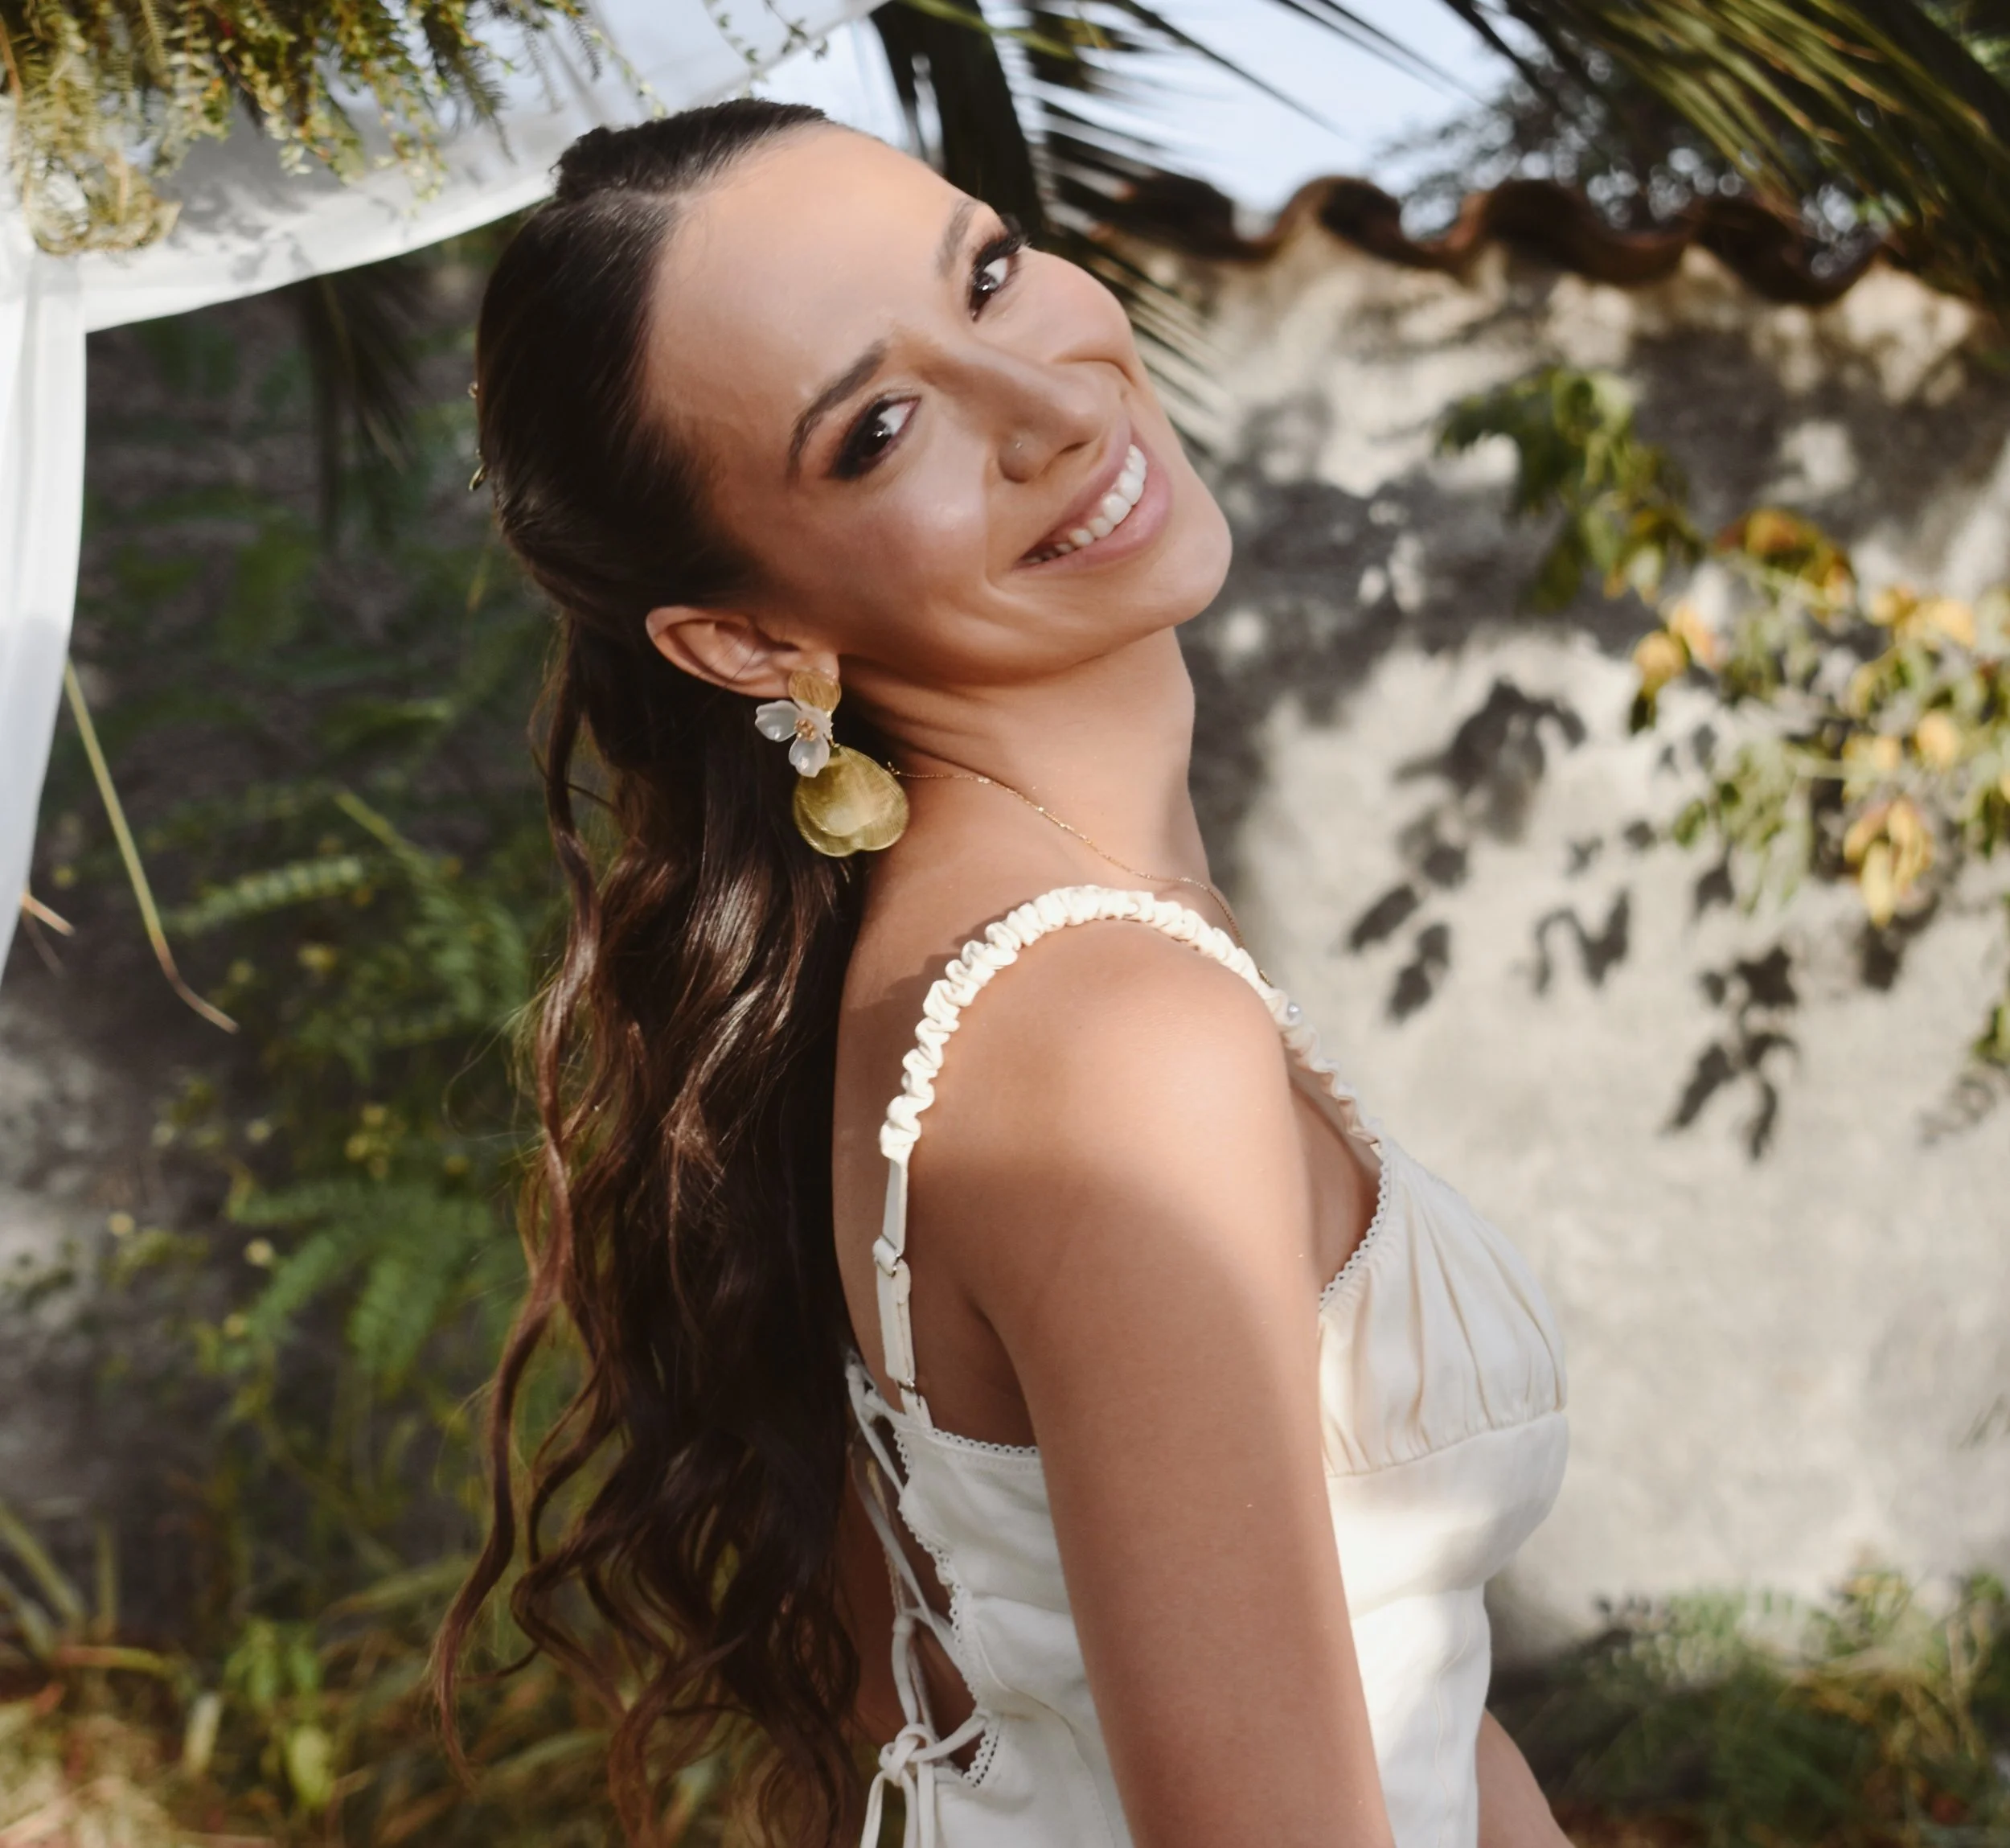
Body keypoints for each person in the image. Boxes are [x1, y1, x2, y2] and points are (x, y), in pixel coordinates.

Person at [437, 97, 1573, 1848]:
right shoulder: (1107, 1036)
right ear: (746, 637)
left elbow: (1411, 1689)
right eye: (878, 430)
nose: (1051, 403)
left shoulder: (957, 978)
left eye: (986, 272)